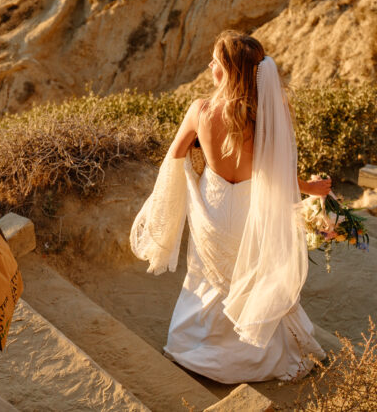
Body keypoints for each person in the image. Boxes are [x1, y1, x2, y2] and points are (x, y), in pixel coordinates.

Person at [130, 31, 330, 383]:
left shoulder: (200, 111)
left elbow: (174, 156)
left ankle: (194, 351)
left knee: (205, 277)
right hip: (253, 212)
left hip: (214, 210)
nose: (209, 66)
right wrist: (309, 188)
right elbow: (279, 168)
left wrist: (180, 188)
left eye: (215, 62)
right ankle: (255, 358)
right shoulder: (270, 112)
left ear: (229, 71)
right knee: (253, 276)